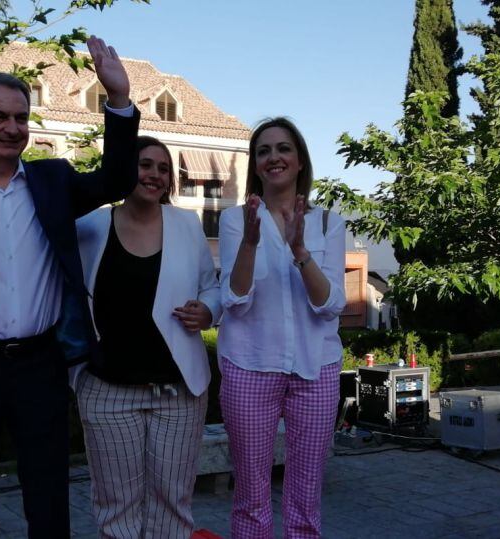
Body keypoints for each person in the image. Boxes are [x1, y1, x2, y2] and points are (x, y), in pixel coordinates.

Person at [0, 36, 140, 539]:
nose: (12, 128)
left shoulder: (53, 181)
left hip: (41, 366)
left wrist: (118, 100)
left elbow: (118, 181)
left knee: (48, 498)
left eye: (20, 117)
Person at [72, 136, 220, 538]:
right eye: (145, 164)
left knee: (173, 504)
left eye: (163, 167)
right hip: (107, 392)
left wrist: (208, 310)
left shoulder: (187, 225)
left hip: (178, 393)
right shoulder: (89, 225)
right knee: (116, 508)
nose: (155, 174)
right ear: (123, 169)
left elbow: (212, 288)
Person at [217, 117, 347, 538]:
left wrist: (299, 250)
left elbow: (330, 305)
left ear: (299, 159)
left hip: (317, 366)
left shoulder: (327, 222)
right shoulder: (237, 220)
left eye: (283, 148)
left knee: (306, 496)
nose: (274, 157)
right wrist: (252, 244)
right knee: (252, 496)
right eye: (264, 150)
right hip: (249, 365)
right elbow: (234, 298)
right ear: (255, 165)